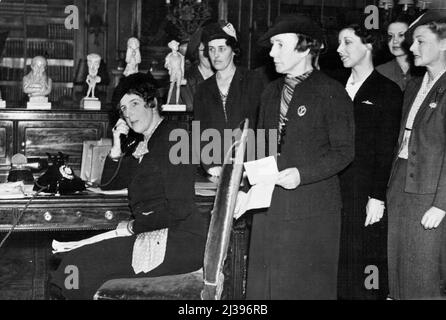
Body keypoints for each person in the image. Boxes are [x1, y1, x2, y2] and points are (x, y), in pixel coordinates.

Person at [49, 73, 209, 299]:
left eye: (134, 103)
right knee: (73, 263)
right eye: (123, 109)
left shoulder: (177, 136)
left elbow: (179, 206)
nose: (129, 114)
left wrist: (136, 227)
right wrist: (116, 146)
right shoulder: (141, 142)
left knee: (75, 266)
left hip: (179, 240)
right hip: (155, 232)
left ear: (151, 102)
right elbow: (109, 182)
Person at [243, 14, 355, 299]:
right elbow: (260, 146)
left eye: (279, 45)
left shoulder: (331, 92)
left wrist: (302, 175)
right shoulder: (270, 92)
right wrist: (247, 183)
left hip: (312, 213)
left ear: (305, 47)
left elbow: (344, 152)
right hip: (269, 210)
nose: (271, 53)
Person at [336, 24, 403, 300]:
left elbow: (387, 148)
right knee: (341, 262)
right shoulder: (336, 90)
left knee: (367, 263)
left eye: (347, 42)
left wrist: (377, 195)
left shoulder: (387, 91)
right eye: (339, 43)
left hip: (366, 194)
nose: (340, 49)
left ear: (368, 46)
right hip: (336, 189)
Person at [387, 10, 446, 300]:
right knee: (398, 275)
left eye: (420, 41)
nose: (411, 48)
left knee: (424, 279)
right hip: (401, 188)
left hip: (430, 196)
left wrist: (442, 204)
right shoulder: (413, 85)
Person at [193, 21, 265, 177]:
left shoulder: (253, 81)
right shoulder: (203, 89)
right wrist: (210, 165)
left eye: (221, 49)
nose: (215, 55)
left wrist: (255, 165)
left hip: (250, 166)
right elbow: (199, 131)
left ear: (234, 51)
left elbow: (263, 125)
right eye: (211, 50)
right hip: (216, 169)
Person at [376, 15, 416, 91]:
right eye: (390, 36)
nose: (394, 41)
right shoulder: (380, 72)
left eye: (401, 35)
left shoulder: (424, 71)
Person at [165, 40, 186, 105]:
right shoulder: (169, 56)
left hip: (179, 72)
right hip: (173, 72)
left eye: (177, 45)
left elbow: (182, 67)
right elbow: (166, 65)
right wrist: (168, 66)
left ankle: (177, 102)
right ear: (172, 47)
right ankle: (167, 102)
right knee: (171, 87)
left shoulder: (181, 56)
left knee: (178, 87)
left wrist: (183, 76)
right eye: (175, 45)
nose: (177, 46)